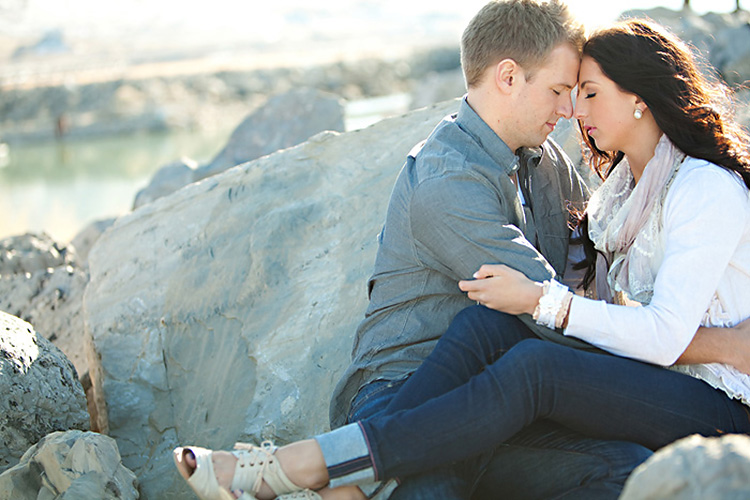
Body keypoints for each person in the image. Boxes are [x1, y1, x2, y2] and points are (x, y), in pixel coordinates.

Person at [173, 16, 750, 500]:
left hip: (512, 386)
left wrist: (703, 344)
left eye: (584, 93)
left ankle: (329, 468)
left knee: (611, 454)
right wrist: (715, 343)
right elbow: (548, 318)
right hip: (408, 389)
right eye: (561, 91)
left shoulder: (555, 166)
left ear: (641, 101)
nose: (571, 110)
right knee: (496, 359)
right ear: (507, 77)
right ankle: (331, 467)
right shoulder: (450, 181)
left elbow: (568, 308)